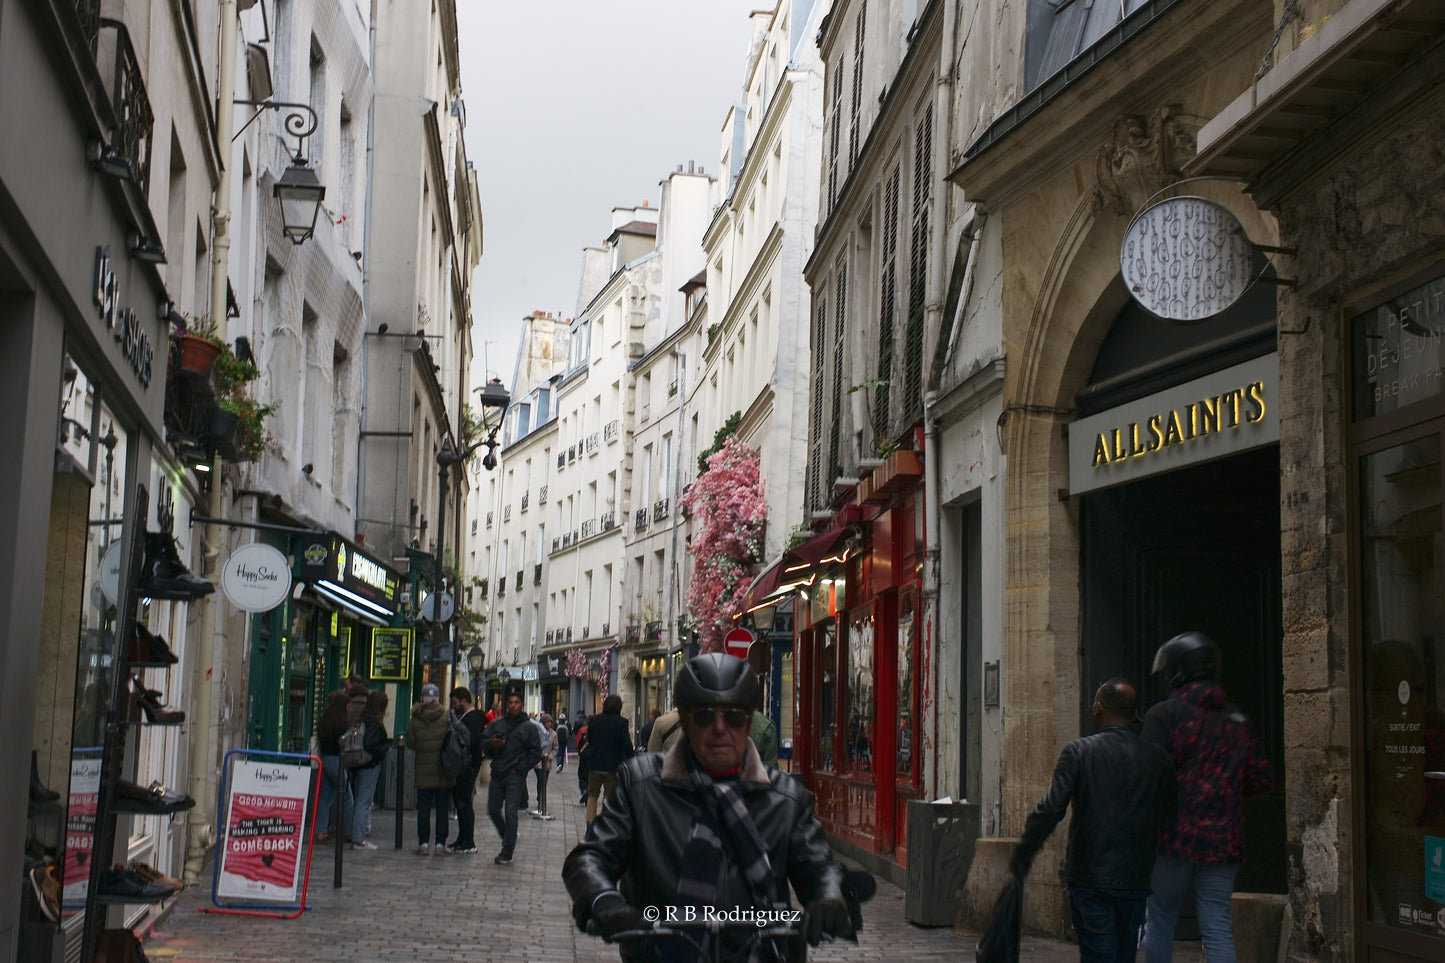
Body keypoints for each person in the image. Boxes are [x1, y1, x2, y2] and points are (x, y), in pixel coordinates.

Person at [563, 654, 855, 960]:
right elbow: (591, 856)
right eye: (703, 716)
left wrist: (830, 899)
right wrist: (603, 898)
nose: (719, 728)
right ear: (685, 721)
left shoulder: (786, 799)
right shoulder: (641, 787)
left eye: (734, 717)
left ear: (749, 722)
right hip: (661, 954)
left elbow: (819, 867)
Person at [1008, 679, 1176, 963]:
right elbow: (1169, 812)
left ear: (1099, 708)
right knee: (1124, 954)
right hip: (1135, 877)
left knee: (1099, 954)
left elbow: (1051, 809)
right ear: (1134, 713)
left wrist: (1025, 850)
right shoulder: (1158, 758)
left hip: (1091, 876)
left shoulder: (1079, 752)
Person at [1140, 632, 1271, 963]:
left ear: (1177, 671)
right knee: (1217, 925)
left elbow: (1146, 777)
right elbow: (1260, 780)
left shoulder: (1164, 715)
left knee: (1160, 920)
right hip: (1223, 842)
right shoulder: (1237, 720)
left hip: (1173, 839)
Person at [483, 689, 542, 865]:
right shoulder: (498, 723)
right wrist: (491, 744)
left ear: (522, 705)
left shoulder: (529, 727)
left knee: (511, 812)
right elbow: (482, 742)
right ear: (506, 705)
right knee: (493, 810)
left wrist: (520, 768)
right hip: (498, 772)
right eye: (510, 703)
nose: (513, 706)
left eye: (516, 703)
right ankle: (508, 836)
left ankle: (507, 851)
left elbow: (536, 752)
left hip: (514, 775)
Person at [408, 683, 452, 855]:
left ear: (422, 698)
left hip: (423, 769)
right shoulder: (447, 716)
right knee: (442, 809)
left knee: (424, 808)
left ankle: (424, 843)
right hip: (444, 769)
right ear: (438, 698)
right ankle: (440, 844)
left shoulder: (415, 718)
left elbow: (411, 743)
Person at [448, 686, 488, 854]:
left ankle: (468, 841)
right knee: (460, 802)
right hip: (464, 764)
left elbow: (471, 742)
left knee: (464, 802)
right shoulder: (466, 717)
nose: (453, 706)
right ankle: (462, 838)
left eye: (455, 702)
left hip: (468, 765)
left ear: (463, 701)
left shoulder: (473, 719)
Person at [584, 695, 634, 826]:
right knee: (609, 797)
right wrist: (631, 759)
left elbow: (589, 739)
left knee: (592, 795)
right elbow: (627, 744)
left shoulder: (594, 720)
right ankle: (605, 824)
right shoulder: (622, 722)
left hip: (595, 764)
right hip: (613, 766)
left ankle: (590, 822)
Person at [350, 690, 390, 850]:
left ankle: (357, 835)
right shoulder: (373, 721)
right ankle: (359, 839)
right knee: (363, 801)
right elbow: (370, 743)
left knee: (359, 800)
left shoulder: (363, 718)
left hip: (359, 764)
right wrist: (383, 750)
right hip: (369, 764)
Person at [315, 690, 353, 842]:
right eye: (348, 706)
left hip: (323, 758)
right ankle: (346, 831)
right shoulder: (341, 723)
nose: (349, 709)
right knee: (347, 795)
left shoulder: (325, 720)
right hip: (336, 760)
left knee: (325, 796)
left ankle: (321, 831)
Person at [532, 713, 558, 820]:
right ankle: (540, 798)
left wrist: (551, 756)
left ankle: (541, 799)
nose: (549, 724)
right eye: (547, 722)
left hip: (547, 762)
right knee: (540, 779)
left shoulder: (553, 734)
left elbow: (556, 748)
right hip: (538, 761)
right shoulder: (538, 732)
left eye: (550, 722)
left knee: (544, 781)